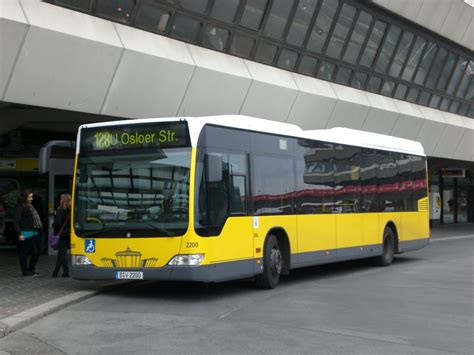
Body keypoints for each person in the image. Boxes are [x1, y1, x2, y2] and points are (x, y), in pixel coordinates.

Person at [14, 191, 43, 277]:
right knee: (23, 253)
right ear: (24, 198)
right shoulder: (20, 207)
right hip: (25, 233)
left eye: (32, 197)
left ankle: (31, 269)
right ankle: (25, 271)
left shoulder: (30, 207)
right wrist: (19, 234)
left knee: (37, 252)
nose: (31, 199)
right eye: (29, 197)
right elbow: (16, 223)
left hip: (34, 232)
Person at [52, 193, 71, 278]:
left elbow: (58, 223)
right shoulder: (71, 210)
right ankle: (55, 272)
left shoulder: (60, 209)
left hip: (61, 234)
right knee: (61, 253)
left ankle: (66, 272)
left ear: (62, 200)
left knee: (62, 254)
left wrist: (53, 224)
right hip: (68, 233)